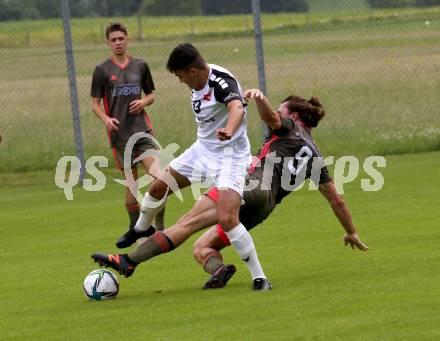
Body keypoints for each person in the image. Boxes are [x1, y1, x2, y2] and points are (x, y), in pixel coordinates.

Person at [92, 89, 369, 290]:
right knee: (202, 248)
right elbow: (337, 201)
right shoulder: (316, 156)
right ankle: (220, 269)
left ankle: (128, 261)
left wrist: (259, 98)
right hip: (264, 206)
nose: (277, 114)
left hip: (246, 187)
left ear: (293, 116)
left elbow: (272, 118)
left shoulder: (288, 128)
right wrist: (351, 232)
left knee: (186, 223)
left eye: (282, 110)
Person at [104, 43, 271, 290]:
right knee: (159, 186)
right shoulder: (197, 79)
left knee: (228, 218)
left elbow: (236, 106)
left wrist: (230, 129)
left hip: (230, 158)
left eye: (181, 76)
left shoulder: (221, 82)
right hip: (202, 151)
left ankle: (260, 278)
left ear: (193, 71)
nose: (181, 81)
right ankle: (140, 229)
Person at [90, 22, 165, 235]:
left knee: (159, 179)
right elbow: (95, 103)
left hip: (142, 131)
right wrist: (105, 119)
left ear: (127, 39)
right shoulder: (102, 71)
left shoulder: (140, 66)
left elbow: (151, 95)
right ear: (108, 43)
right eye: (113, 40)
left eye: (121, 38)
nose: (118, 43)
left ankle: (159, 227)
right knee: (131, 184)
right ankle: (136, 229)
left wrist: (144, 102)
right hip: (120, 136)